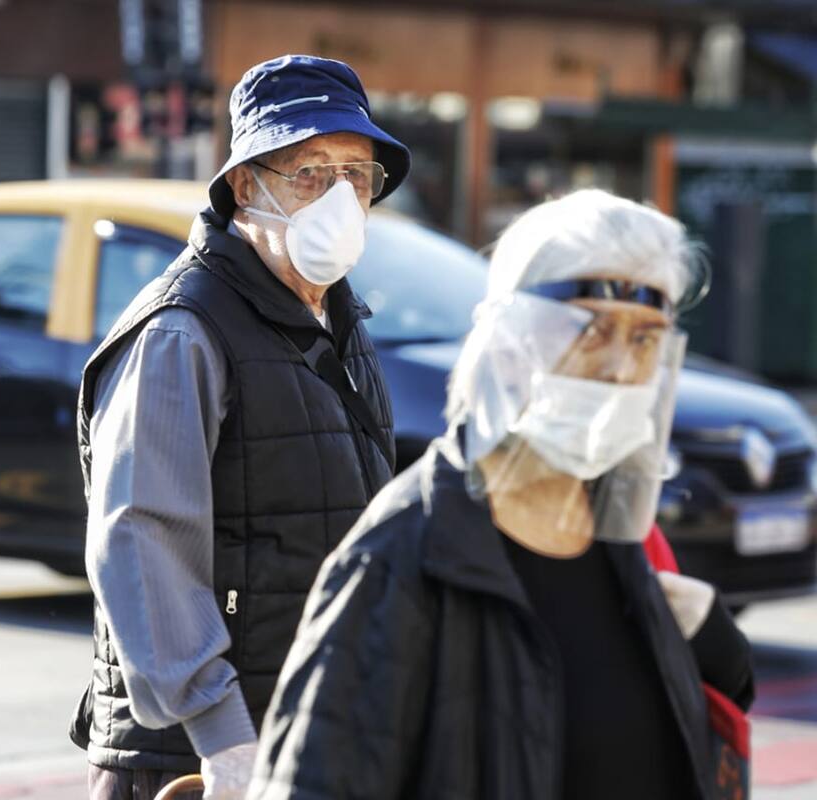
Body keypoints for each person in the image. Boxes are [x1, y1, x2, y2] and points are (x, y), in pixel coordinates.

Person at [248, 189, 755, 800]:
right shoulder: (404, 556)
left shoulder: (626, 550)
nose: (623, 367)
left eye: (646, 339)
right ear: (512, 342)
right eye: (594, 331)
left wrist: (713, 638)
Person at [69, 55, 412, 800]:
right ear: (245, 185)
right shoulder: (183, 330)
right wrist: (223, 735)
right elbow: (141, 541)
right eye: (309, 172)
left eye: (356, 174)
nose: (340, 198)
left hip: (307, 732)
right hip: (196, 760)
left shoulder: (337, 316)